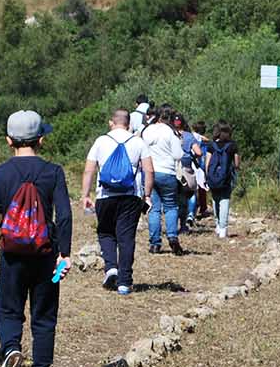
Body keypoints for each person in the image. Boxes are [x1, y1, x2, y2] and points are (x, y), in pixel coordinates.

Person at [0, 111, 73, 367]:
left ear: (9, 141)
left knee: (9, 308)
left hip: (12, 255)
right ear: (41, 140)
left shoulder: (0, 173)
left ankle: (11, 349)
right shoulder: (53, 171)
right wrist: (65, 254)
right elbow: (65, 215)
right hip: (47, 255)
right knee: (44, 314)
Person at [81, 108, 155, 296]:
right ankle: (125, 282)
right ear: (129, 124)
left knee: (106, 232)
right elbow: (149, 170)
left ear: (111, 122)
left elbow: (89, 170)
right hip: (131, 196)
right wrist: (147, 196)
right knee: (126, 237)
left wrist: (85, 195)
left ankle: (111, 268)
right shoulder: (138, 141)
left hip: (105, 195)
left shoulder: (101, 141)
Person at [141, 104, 186, 255]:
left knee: (154, 208)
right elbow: (178, 155)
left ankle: (155, 243)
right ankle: (172, 237)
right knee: (171, 206)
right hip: (167, 172)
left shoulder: (147, 131)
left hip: (150, 173)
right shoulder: (170, 133)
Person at [204, 121, 241, 239]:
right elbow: (236, 164)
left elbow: (207, 163)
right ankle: (223, 229)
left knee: (215, 199)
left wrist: (207, 176)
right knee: (224, 200)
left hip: (213, 177)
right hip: (226, 178)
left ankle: (217, 225)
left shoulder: (211, 145)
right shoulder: (232, 145)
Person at [175, 112, 203, 232]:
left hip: (172, 169)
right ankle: (189, 215)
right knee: (191, 192)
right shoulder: (189, 136)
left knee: (174, 199)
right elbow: (199, 152)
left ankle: (173, 225)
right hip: (186, 169)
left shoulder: (170, 134)